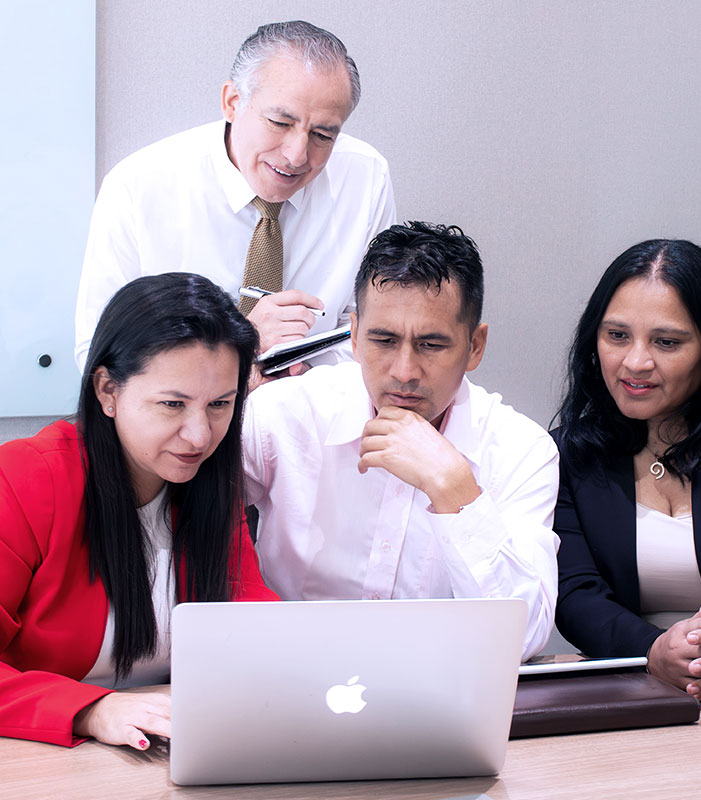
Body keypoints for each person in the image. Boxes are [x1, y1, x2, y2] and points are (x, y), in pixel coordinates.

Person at [243, 222, 560, 660]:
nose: (404, 371)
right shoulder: (281, 414)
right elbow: (179, 523)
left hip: (438, 695)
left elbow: (522, 638)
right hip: (284, 677)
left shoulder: (523, 449)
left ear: (475, 346)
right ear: (353, 335)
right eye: (384, 340)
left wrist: (454, 489)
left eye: (431, 344)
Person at [0, 273, 278, 750]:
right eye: (172, 404)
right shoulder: (25, 478)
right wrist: (89, 709)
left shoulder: (207, 483)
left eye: (220, 405)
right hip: (40, 758)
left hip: (162, 751)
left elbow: (250, 620)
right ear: (108, 392)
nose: (199, 435)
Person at [552, 239, 701, 700]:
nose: (636, 362)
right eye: (617, 335)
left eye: (666, 342)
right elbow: (574, 596)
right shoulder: (568, 451)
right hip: (630, 689)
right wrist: (653, 652)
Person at [75, 20, 395, 371]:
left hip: (311, 412)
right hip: (181, 416)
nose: (297, 155)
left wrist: (302, 382)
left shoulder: (365, 177)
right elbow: (99, 353)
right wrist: (241, 341)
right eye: (280, 123)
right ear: (232, 101)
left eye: (322, 135)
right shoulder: (137, 186)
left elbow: (379, 335)